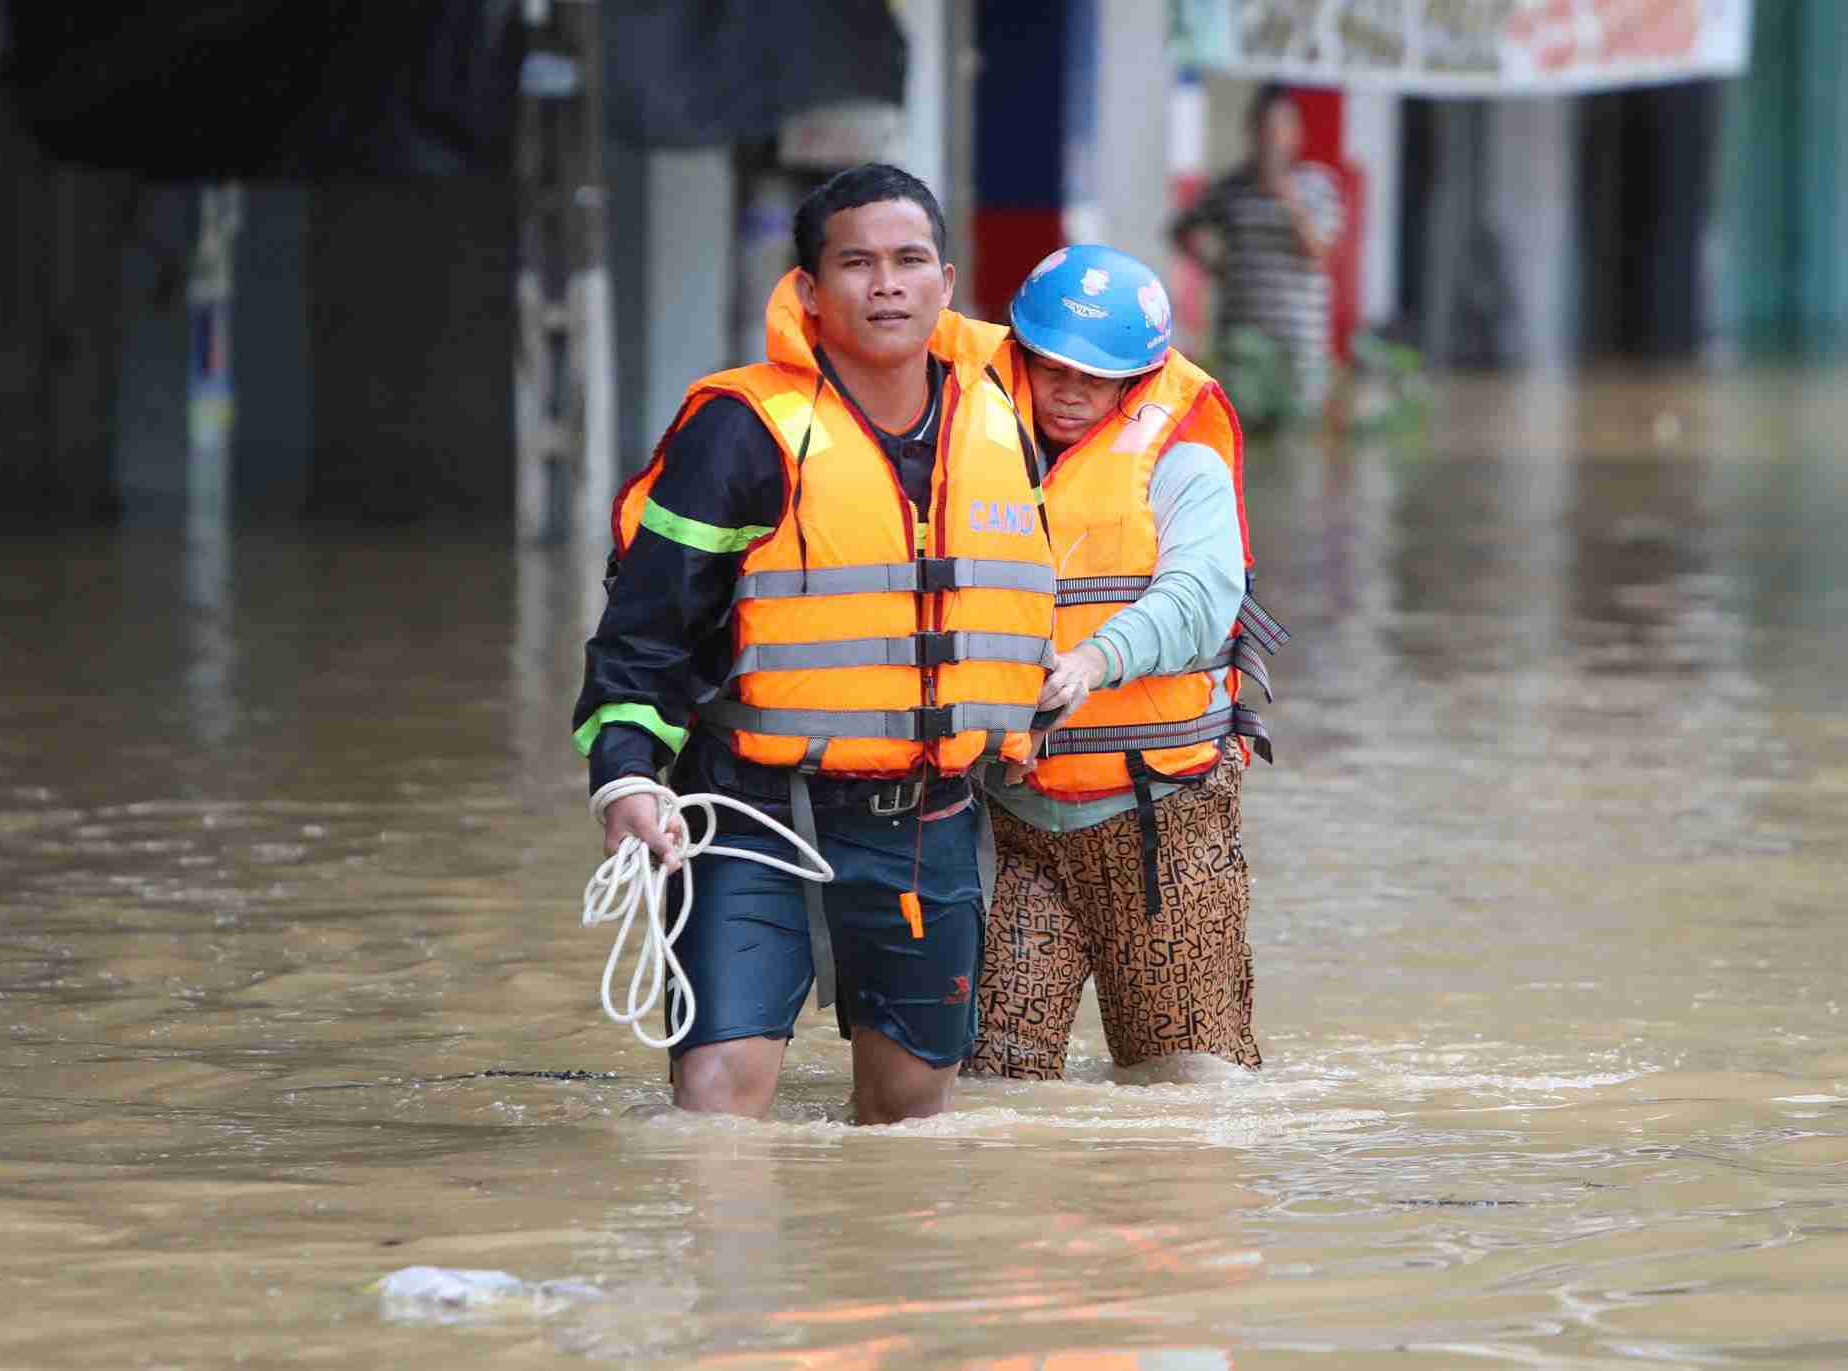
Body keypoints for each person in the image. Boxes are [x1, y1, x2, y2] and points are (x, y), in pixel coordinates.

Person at [572, 163, 1054, 1124]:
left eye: (910, 260)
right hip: (753, 811)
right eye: (857, 262)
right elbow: (645, 628)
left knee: (910, 1119)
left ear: (947, 285)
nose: (886, 284)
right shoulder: (738, 430)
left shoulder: (1010, 418)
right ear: (808, 289)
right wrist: (626, 775)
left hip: (929, 819)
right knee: (717, 1103)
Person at [963, 243, 1288, 1080]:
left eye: (1097, 377)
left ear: (1136, 382)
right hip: (1019, 825)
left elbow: (1201, 599)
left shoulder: (1185, 463)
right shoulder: (977, 457)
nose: (1070, 391)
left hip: (1160, 817)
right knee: (992, 1080)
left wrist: (1095, 661)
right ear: (1023, 358)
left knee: (1191, 1084)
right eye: (1054, 368)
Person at [1172, 81, 1337, 421]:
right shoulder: (1231, 188)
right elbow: (1181, 230)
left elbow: (1321, 252)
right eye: (1263, 128)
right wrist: (1219, 270)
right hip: (1241, 342)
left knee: (1297, 442)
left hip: (1299, 347)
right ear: (1251, 132)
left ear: (1295, 134)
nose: (1270, 138)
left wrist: (1289, 200)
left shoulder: (1318, 185)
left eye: (1279, 128)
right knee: (1239, 431)